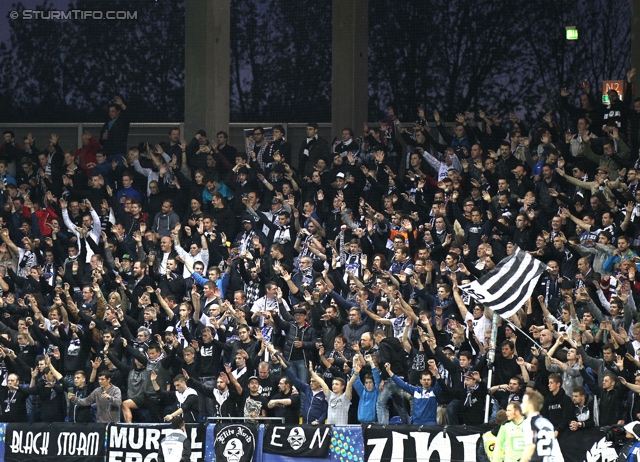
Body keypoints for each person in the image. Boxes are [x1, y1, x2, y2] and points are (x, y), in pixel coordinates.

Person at [384, 359, 441, 425]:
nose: (426, 381)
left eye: (428, 380)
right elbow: (402, 384)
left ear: (431, 381)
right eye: (424, 379)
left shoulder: (434, 391)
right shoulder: (415, 391)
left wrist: (436, 372)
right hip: (416, 423)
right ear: (420, 381)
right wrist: (389, 372)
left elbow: (439, 383)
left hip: (430, 424)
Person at [520, 389, 564, 462]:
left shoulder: (529, 422)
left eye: (524, 403)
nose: (521, 405)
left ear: (531, 406)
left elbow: (531, 446)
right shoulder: (547, 423)